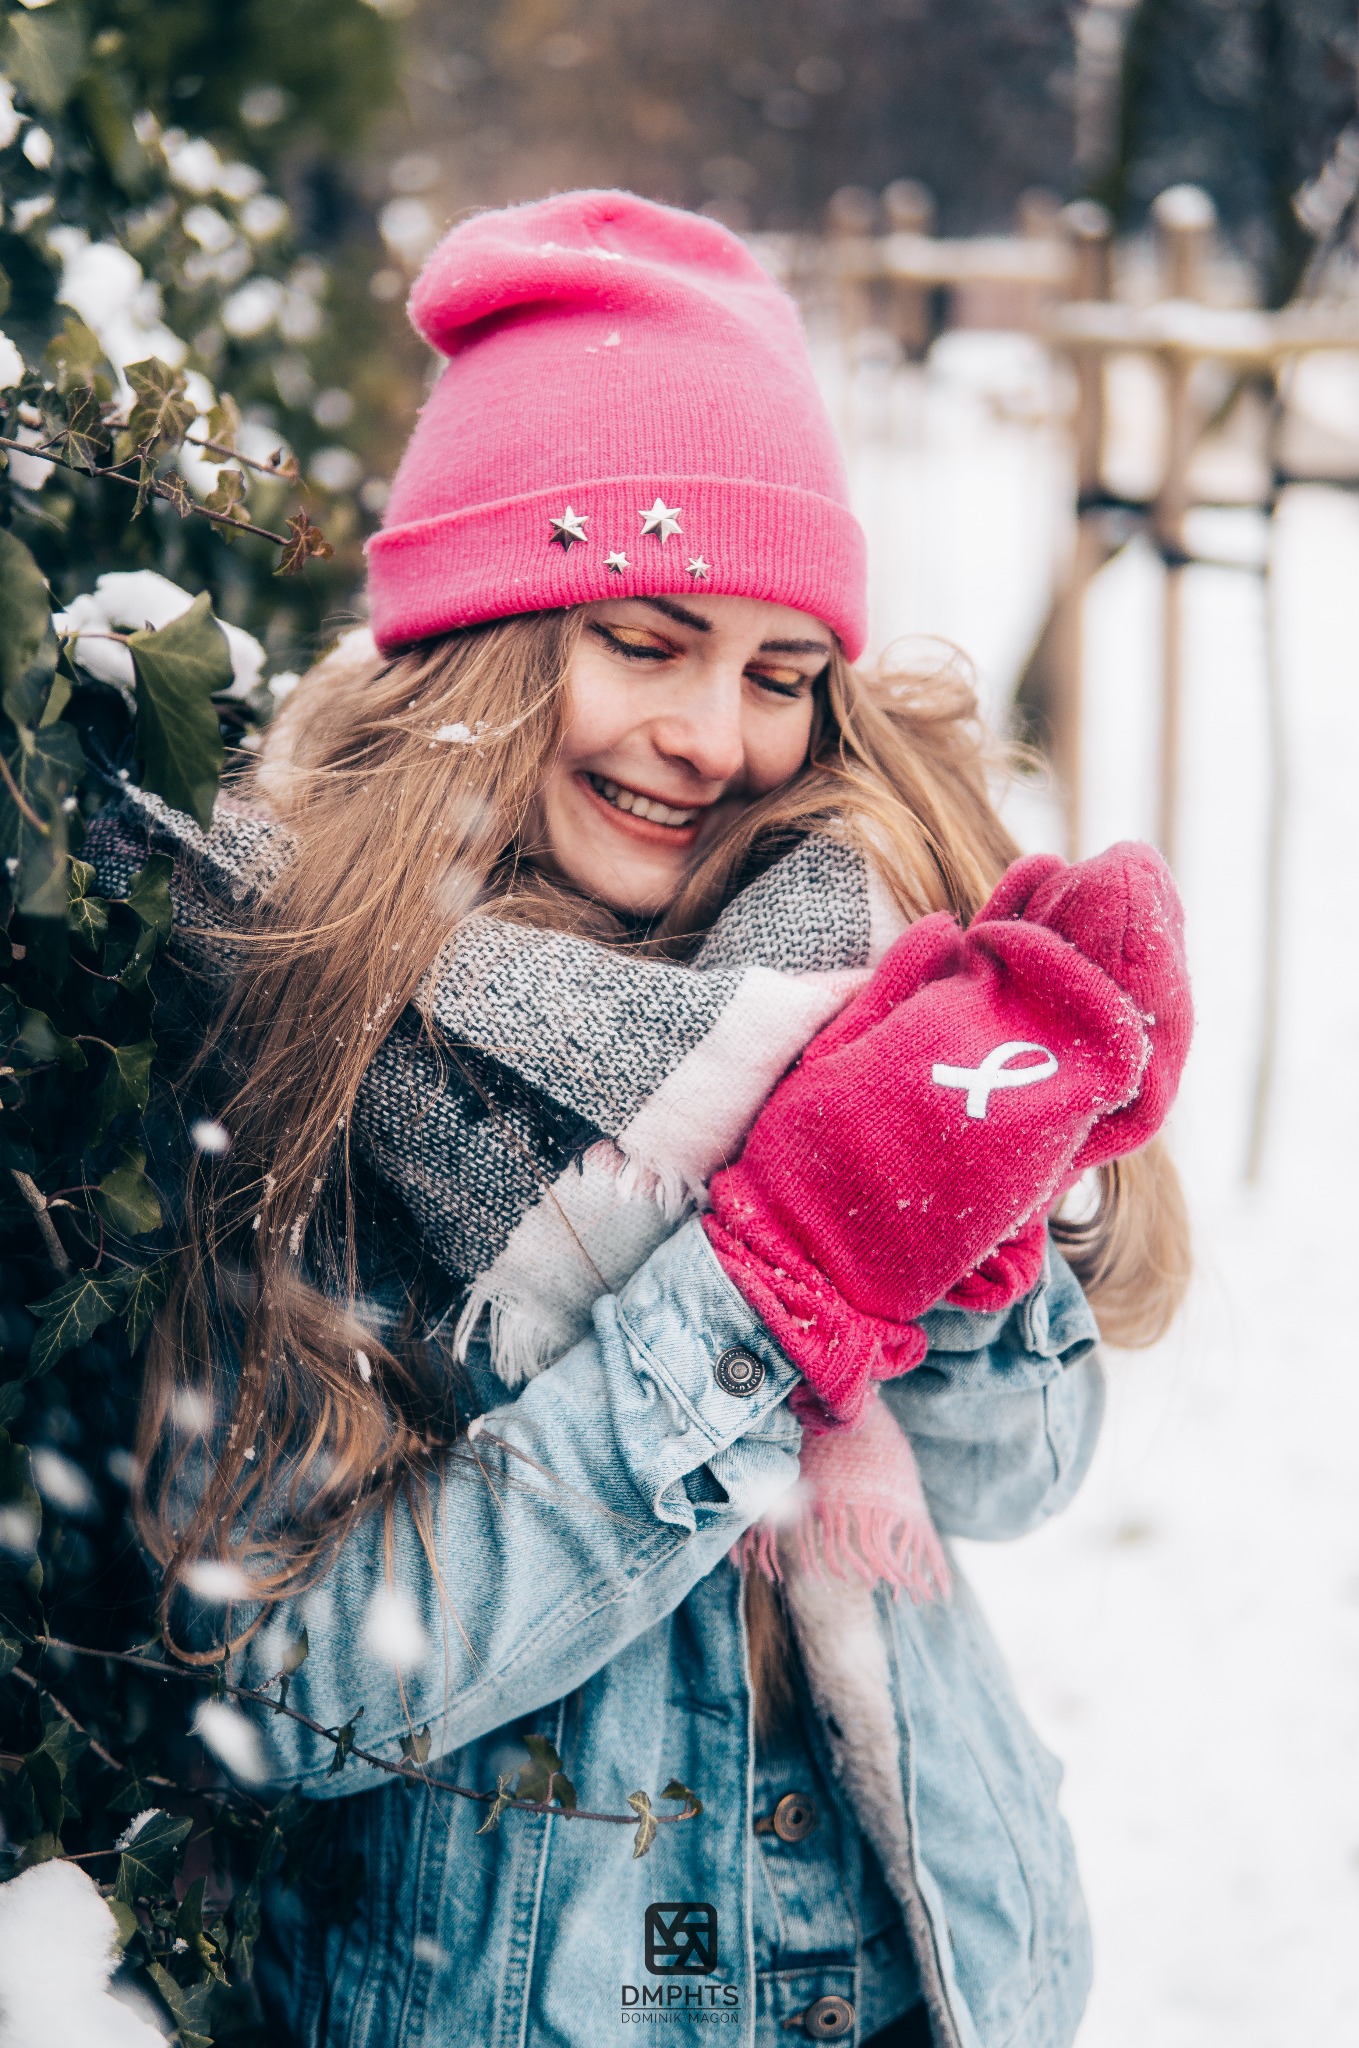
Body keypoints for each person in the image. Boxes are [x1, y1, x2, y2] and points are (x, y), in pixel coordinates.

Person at [89, 191, 1193, 2048]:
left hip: (922, 1972)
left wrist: (964, 1205)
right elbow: (279, 1693)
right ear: (482, 641)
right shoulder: (298, 1038)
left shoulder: (836, 972)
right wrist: (765, 1293)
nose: (716, 739)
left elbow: (1021, 1470)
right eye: (647, 641)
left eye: (777, 673)